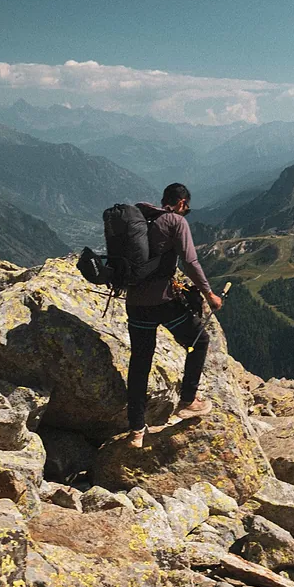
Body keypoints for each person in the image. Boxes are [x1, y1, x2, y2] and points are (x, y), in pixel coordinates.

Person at [126, 183, 224, 448]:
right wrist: (209, 294)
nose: (186, 212)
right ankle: (189, 400)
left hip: (134, 304)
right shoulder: (175, 222)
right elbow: (190, 262)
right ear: (181, 203)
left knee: (140, 363)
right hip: (162, 302)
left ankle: (136, 429)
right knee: (199, 340)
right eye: (187, 207)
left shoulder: (142, 219)